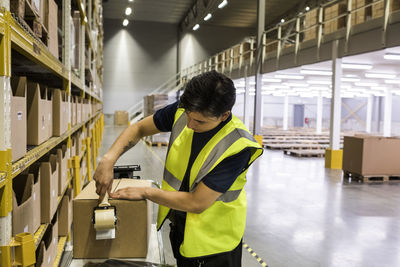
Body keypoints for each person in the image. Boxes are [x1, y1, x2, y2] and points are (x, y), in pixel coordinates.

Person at [94, 70, 263, 267]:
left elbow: (196, 202)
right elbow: (138, 128)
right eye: (189, 116)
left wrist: (146, 192)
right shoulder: (184, 110)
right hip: (182, 229)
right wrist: (108, 159)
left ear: (224, 115)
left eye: (200, 121)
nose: (190, 124)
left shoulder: (237, 145)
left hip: (215, 246)